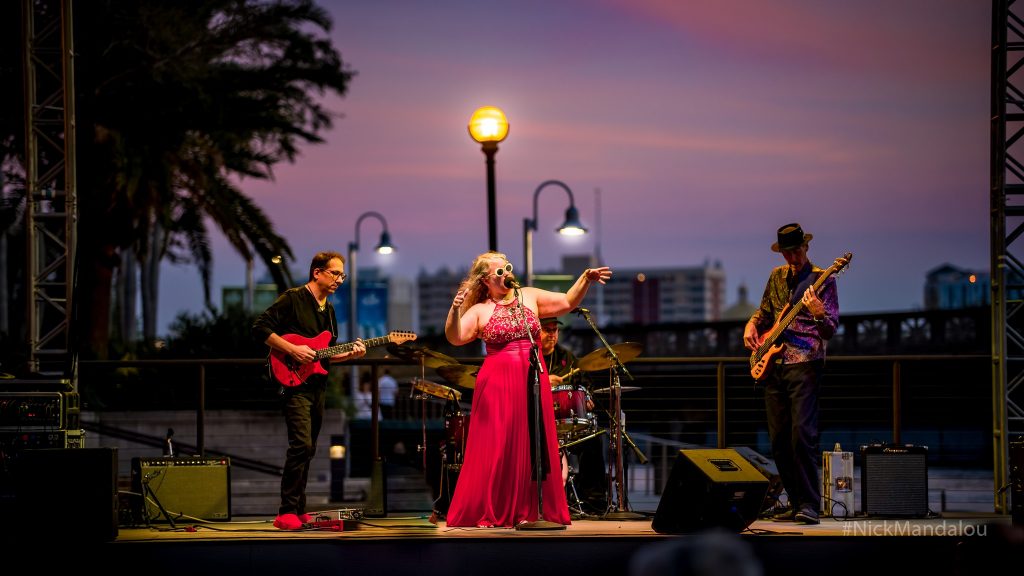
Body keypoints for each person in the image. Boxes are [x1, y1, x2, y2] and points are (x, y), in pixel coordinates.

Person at [443, 251, 612, 527]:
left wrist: (585, 279)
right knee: (499, 446)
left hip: (532, 378)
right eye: (499, 272)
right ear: (485, 280)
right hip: (496, 383)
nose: (507, 274)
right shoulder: (480, 310)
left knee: (533, 443)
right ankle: (497, 507)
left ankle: (530, 508)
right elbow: (455, 337)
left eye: (507, 268)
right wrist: (454, 310)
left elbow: (568, 301)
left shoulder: (528, 297)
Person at [253, 250, 367, 531]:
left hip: (317, 385)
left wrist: (351, 354)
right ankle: (286, 511)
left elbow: (325, 354)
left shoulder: (328, 310)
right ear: (317, 272)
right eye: (336, 273)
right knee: (301, 444)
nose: (340, 279)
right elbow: (259, 328)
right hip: (293, 384)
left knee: (310, 448)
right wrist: (293, 349)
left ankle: (298, 509)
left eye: (343, 274)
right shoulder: (293, 298)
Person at [742, 223, 838, 526]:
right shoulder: (776, 276)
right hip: (774, 364)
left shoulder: (823, 279)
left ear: (806, 247)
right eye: (788, 252)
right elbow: (765, 313)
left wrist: (819, 312)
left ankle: (810, 504)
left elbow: (831, 329)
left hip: (805, 363)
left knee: (802, 435)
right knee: (779, 439)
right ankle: (795, 502)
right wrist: (751, 325)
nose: (793, 257)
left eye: (797, 250)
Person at [539, 315, 607, 516]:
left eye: (555, 330)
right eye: (547, 330)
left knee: (593, 441)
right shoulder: (530, 358)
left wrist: (588, 398)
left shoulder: (568, 358)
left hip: (566, 425)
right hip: (538, 426)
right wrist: (544, 382)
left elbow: (585, 385)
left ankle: (592, 500)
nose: (552, 334)